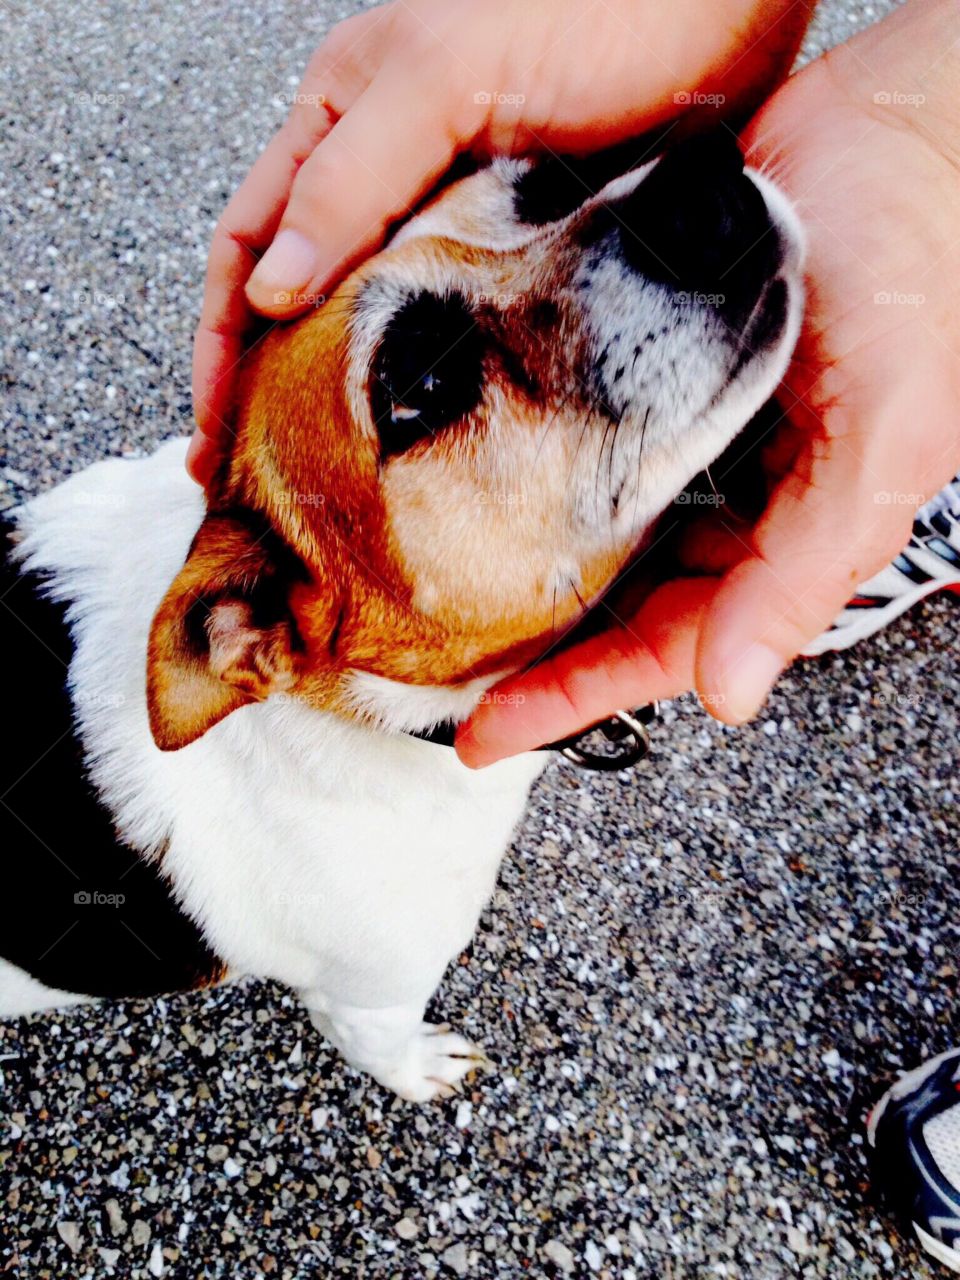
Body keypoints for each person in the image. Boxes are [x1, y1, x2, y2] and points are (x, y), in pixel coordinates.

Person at [188, 0, 960, 1268]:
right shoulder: (363, 870)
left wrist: (927, 131)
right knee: (378, 983)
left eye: (545, 187)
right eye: (425, 378)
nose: (658, 202)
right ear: (270, 636)